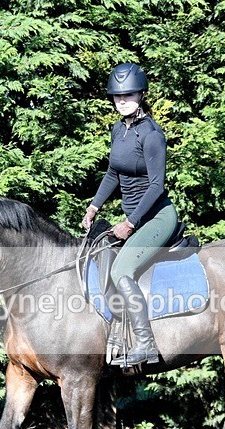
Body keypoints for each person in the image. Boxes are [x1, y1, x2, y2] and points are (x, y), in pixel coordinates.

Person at [81, 63, 178, 366]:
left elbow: (157, 186)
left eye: (129, 95)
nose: (122, 100)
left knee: (121, 270)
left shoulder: (151, 135)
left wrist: (130, 222)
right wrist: (94, 206)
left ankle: (146, 343)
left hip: (157, 218)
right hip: (135, 218)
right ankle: (114, 332)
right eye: (117, 96)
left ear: (141, 95)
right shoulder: (119, 130)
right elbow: (113, 172)